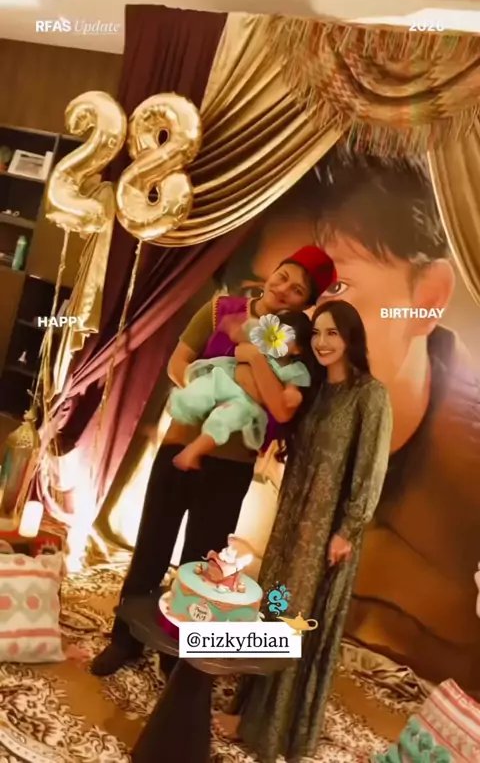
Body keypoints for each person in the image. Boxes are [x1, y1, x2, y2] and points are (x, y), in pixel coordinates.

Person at [214, 151, 480, 686]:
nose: (300, 321)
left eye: (336, 287)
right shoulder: (291, 398)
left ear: (427, 299)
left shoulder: (450, 453)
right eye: (281, 292)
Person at [90, 245, 336, 676]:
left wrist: (250, 366)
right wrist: (209, 391)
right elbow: (178, 362)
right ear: (272, 273)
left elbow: (280, 407)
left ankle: (177, 653)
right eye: (283, 276)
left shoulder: (295, 348)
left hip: (232, 466)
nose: (284, 289)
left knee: (200, 564)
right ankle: (124, 640)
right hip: (180, 445)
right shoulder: (222, 309)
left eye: (298, 290)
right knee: (151, 546)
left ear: (306, 304)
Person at [217, 299, 393, 763]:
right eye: (316, 333)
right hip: (291, 525)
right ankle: (249, 710)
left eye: (332, 333)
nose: (322, 342)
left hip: (325, 536)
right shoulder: (315, 391)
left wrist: (348, 530)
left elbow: (371, 470)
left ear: (351, 338)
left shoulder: (370, 395)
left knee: (296, 619)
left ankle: (272, 728)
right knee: (274, 607)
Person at [169, 311, 313, 471]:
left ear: (297, 350)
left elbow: (293, 389)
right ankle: (178, 408)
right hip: (226, 378)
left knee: (224, 420)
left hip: (245, 401)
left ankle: (193, 451)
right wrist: (234, 328)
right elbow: (240, 335)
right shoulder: (259, 342)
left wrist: (293, 394)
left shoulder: (292, 369)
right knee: (201, 389)